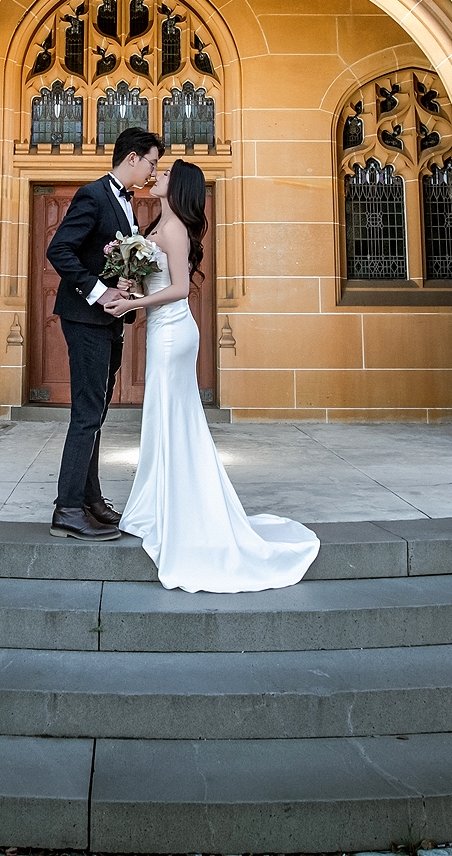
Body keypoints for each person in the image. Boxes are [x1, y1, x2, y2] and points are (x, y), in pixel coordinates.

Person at [107, 158, 321, 592]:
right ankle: (158, 503)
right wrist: (130, 283)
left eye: (166, 174)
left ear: (179, 186)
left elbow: (180, 289)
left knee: (173, 416)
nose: (157, 176)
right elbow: (155, 280)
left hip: (173, 333)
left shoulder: (174, 229)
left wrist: (133, 304)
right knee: (163, 416)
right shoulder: (156, 227)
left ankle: (181, 510)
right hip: (163, 331)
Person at [43, 127, 162, 540]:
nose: (153, 171)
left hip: (109, 321)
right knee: (86, 414)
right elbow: (59, 250)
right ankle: (67, 509)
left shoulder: (126, 203)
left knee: (97, 413)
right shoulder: (93, 195)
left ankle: (90, 499)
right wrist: (99, 291)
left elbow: (106, 259)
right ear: (132, 158)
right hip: (86, 319)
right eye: (151, 163)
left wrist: (123, 284)